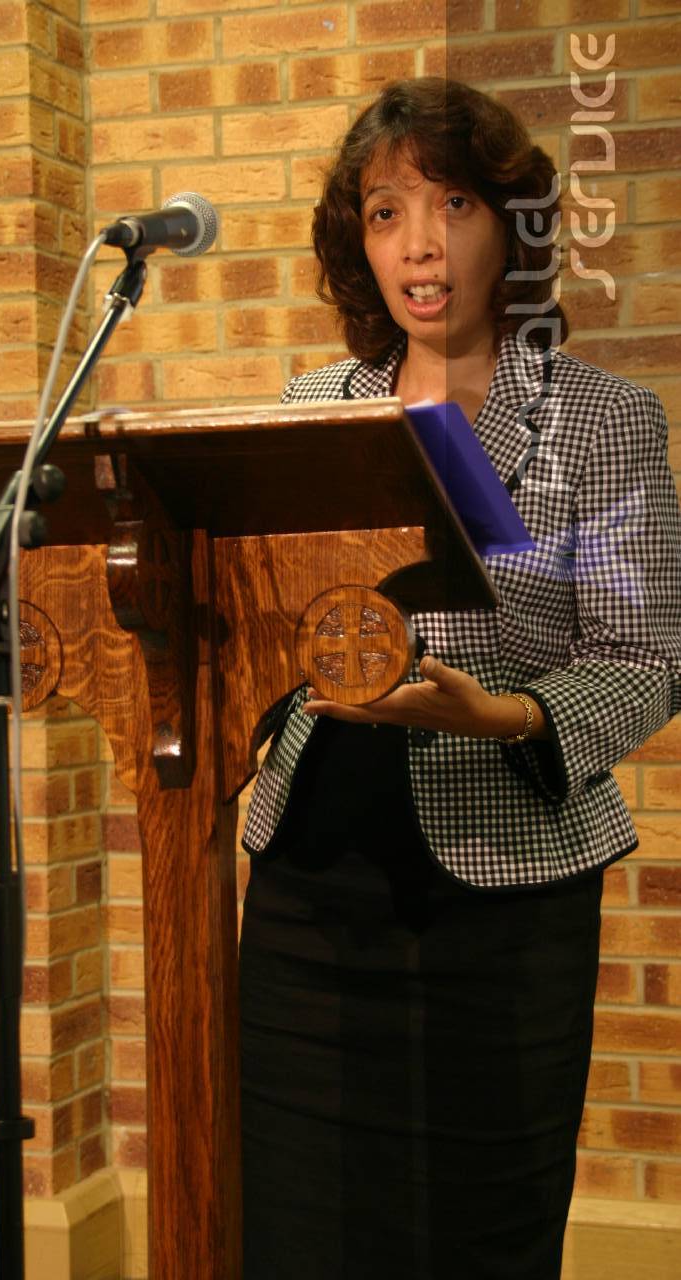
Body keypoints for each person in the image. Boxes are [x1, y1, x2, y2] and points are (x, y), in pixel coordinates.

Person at [238, 77, 681, 1280]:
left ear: (510, 224)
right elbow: (263, 613)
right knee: (298, 1224)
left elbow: (646, 655)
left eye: (453, 204)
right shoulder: (308, 408)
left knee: (478, 1234)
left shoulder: (601, 418)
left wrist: (509, 713)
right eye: (385, 212)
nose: (419, 244)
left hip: (505, 891)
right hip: (308, 879)